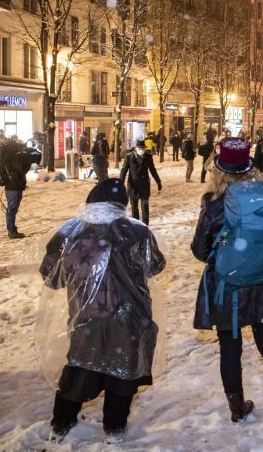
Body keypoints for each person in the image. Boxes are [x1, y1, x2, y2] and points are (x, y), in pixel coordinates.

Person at [40, 178, 165, 442]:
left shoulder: (70, 231)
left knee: (80, 368)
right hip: (130, 318)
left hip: (87, 318)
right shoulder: (137, 232)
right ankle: (114, 429)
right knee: (123, 370)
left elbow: (51, 276)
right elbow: (154, 266)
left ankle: (60, 424)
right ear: (122, 205)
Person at [191, 137, 263, 423]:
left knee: (230, 347)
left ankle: (237, 408)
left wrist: (226, 254)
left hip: (228, 286)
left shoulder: (214, 202)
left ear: (219, 169)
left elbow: (199, 249)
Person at [119, 140, 162, 225]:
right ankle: (136, 224)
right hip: (133, 185)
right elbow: (124, 170)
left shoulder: (148, 156)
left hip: (144, 185)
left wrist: (158, 181)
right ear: (136, 148)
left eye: (143, 148)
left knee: (145, 205)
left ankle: (145, 224)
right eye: (140, 148)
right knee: (134, 207)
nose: (142, 150)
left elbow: (152, 170)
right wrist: (121, 182)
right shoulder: (129, 156)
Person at [0, 135, 29, 238]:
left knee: (12, 208)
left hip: (12, 185)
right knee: (12, 208)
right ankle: (11, 231)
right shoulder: (14, 156)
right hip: (14, 185)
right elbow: (22, 169)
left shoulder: (7, 155)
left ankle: (12, 229)